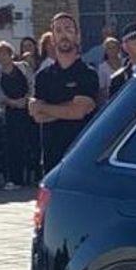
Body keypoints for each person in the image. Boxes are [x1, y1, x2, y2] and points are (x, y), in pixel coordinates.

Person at [30, 13, 100, 174]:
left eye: (68, 29)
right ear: (52, 38)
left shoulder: (87, 73)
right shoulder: (43, 76)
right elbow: (37, 115)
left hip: (81, 155)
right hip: (51, 158)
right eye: (58, 30)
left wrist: (45, 107)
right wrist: (66, 109)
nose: (64, 35)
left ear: (77, 36)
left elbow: (78, 112)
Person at [0, 41, 35, 190]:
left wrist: (26, 99)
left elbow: (32, 84)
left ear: (11, 54)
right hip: (11, 113)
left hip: (28, 110)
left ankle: (36, 175)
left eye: (5, 53)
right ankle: (16, 179)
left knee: (31, 142)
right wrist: (10, 102)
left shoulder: (23, 67)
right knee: (13, 146)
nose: (3, 57)